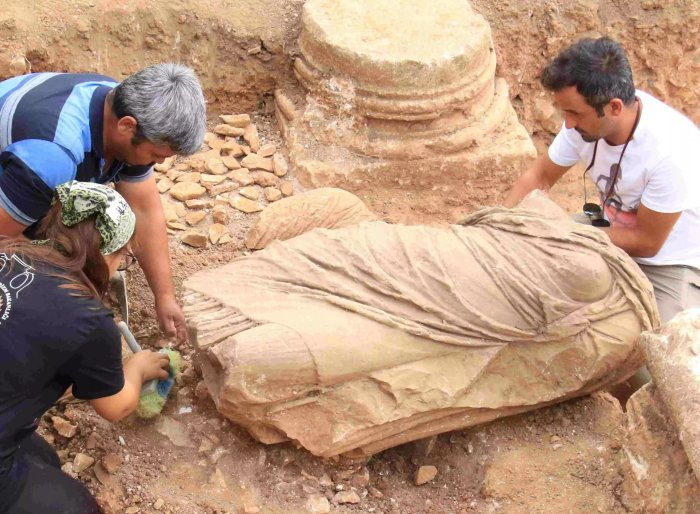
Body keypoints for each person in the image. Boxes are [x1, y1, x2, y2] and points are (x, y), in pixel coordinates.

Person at [0, 64, 208, 343]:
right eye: (158, 154)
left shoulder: (117, 104)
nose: (160, 162)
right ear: (127, 126)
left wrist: (165, 296)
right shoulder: (53, 155)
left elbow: (144, 210)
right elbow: (3, 239)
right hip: (23, 175)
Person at [0, 181, 171, 513]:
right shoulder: (89, 319)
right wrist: (135, 368)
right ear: (107, 252)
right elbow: (116, 407)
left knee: (43, 457)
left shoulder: (7, 254)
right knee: (80, 508)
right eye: (124, 257)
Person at [504, 37, 700, 323]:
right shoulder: (584, 124)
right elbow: (539, 177)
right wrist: (501, 222)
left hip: (668, 261)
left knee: (649, 355)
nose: (567, 123)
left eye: (574, 113)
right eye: (564, 112)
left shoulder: (670, 153)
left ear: (615, 107)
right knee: (520, 271)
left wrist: (567, 235)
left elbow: (647, 242)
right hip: (607, 229)